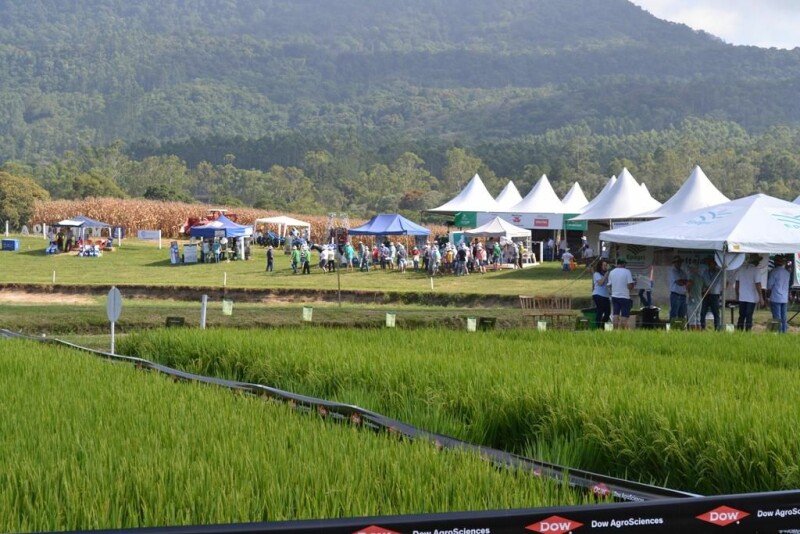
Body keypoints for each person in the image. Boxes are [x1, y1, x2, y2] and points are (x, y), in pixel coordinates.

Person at [735, 253, 764, 331]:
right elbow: (758, 284)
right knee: (749, 315)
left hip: (742, 296)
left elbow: (737, 284)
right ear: (756, 262)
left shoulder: (740, 269)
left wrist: (737, 294)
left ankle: (739, 331)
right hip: (752, 297)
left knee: (741, 315)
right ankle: (748, 332)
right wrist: (761, 297)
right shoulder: (756, 270)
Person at [608, 257, 634, 329]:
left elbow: (609, 285)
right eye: (625, 263)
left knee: (615, 314)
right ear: (623, 264)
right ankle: (624, 331)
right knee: (624, 316)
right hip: (624, 296)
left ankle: (615, 330)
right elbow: (629, 286)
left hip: (614, 296)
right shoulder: (627, 272)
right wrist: (633, 285)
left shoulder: (612, 272)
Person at [767, 255, 791, 333]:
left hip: (775, 297)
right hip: (784, 298)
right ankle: (783, 333)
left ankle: (778, 333)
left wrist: (767, 296)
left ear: (775, 263)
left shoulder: (774, 272)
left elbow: (769, 286)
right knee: (784, 317)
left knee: (777, 318)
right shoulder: (787, 273)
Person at [700, 256, 722, 330]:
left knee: (716, 313)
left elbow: (724, 282)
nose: (711, 265)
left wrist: (720, 291)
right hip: (706, 294)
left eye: (713, 264)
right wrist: (703, 291)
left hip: (715, 295)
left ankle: (717, 328)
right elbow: (702, 282)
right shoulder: (705, 272)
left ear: (715, 264)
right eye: (710, 264)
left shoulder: (719, 272)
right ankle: (702, 327)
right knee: (703, 312)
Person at [592, 259, 611, 328]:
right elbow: (600, 283)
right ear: (600, 266)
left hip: (606, 296)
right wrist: (606, 275)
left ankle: (602, 326)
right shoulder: (596, 274)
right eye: (604, 265)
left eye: (606, 265)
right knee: (600, 310)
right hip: (598, 295)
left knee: (608, 312)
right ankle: (598, 327)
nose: (605, 267)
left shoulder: (608, 274)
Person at [668, 255, 689, 320]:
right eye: (677, 262)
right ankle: (672, 327)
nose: (679, 263)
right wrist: (684, 282)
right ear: (674, 263)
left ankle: (680, 328)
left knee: (682, 314)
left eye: (680, 262)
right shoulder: (673, 271)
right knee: (674, 313)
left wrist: (683, 281)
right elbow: (679, 282)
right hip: (675, 295)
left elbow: (686, 281)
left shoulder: (683, 272)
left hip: (683, 295)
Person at [686, 260, 704, 330]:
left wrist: (688, 291)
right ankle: (698, 335)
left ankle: (693, 335)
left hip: (692, 300)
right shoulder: (700, 277)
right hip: (699, 300)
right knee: (698, 319)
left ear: (693, 269)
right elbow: (705, 288)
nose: (690, 269)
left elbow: (689, 284)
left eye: (691, 268)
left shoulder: (692, 275)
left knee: (692, 319)